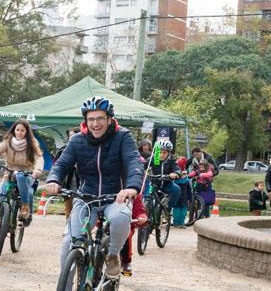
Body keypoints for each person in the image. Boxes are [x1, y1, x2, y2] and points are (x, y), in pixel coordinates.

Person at [45, 96, 142, 279]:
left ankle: (112, 255)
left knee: (121, 218)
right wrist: (54, 180)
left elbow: (133, 162)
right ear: (85, 121)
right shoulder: (77, 141)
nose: (95, 124)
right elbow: (62, 164)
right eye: (91, 119)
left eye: (100, 118)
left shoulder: (123, 137)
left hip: (115, 198)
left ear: (109, 119)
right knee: (69, 243)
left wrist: (131, 187)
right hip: (86, 198)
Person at [0, 118, 44, 220]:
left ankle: (25, 207)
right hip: (10, 173)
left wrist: (37, 169)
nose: (19, 132)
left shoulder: (32, 143)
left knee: (25, 187)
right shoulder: (8, 142)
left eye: (22, 130)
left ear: (27, 132)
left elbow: (39, 157)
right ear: (14, 130)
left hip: (27, 174)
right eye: (17, 130)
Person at [120, 193, 147, 275]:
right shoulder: (106, 187)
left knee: (126, 236)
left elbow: (139, 210)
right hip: (107, 223)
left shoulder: (134, 193)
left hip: (126, 224)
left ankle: (126, 261)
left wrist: (141, 217)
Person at [150, 140, 181, 210]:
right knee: (147, 194)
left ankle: (168, 207)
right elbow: (143, 165)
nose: (162, 154)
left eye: (164, 153)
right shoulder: (154, 159)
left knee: (176, 189)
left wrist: (176, 173)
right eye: (160, 152)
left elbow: (177, 168)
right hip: (154, 184)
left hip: (167, 184)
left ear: (168, 153)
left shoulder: (171, 160)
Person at [171, 156, 190, 227]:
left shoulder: (174, 178)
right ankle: (180, 223)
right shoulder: (186, 180)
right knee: (182, 212)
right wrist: (190, 198)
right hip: (183, 198)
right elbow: (189, 190)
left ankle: (177, 223)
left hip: (177, 197)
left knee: (177, 211)